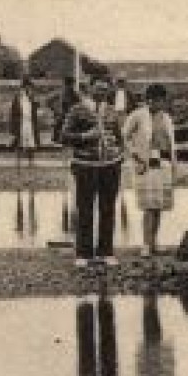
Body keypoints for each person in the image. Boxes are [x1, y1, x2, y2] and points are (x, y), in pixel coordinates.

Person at [58, 75, 125, 268]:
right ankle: (83, 254)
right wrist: (85, 136)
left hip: (110, 165)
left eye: (105, 89)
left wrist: (118, 153)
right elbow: (63, 136)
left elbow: (119, 137)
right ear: (89, 88)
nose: (101, 92)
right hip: (85, 165)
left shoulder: (112, 111)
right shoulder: (77, 110)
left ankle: (106, 252)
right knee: (85, 209)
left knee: (108, 209)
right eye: (98, 88)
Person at [123, 83, 178, 257]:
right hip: (146, 163)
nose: (160, 103)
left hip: (164, 162)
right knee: (149, 205)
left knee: (159, 205)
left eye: (163, 100)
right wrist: (135, 155)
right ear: (149, 100)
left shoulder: (167, 118)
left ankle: (155, 242)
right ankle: (146, 245)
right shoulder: (138, 116)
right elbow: (124, 136)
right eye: (157, 100)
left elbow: (170, 143)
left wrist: (174, 163)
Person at [9, 76, 42, 169]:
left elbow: (35, 108)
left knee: (31, 142)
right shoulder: (18, 98)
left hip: (30, 122)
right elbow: (14, 112)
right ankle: (18, 161)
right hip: (21, 122)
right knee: (20, 141)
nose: (29, 89)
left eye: (30, 87)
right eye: (27, 87)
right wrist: (14, 124)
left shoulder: (31, 97)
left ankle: (31, 161)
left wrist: (36, 103)